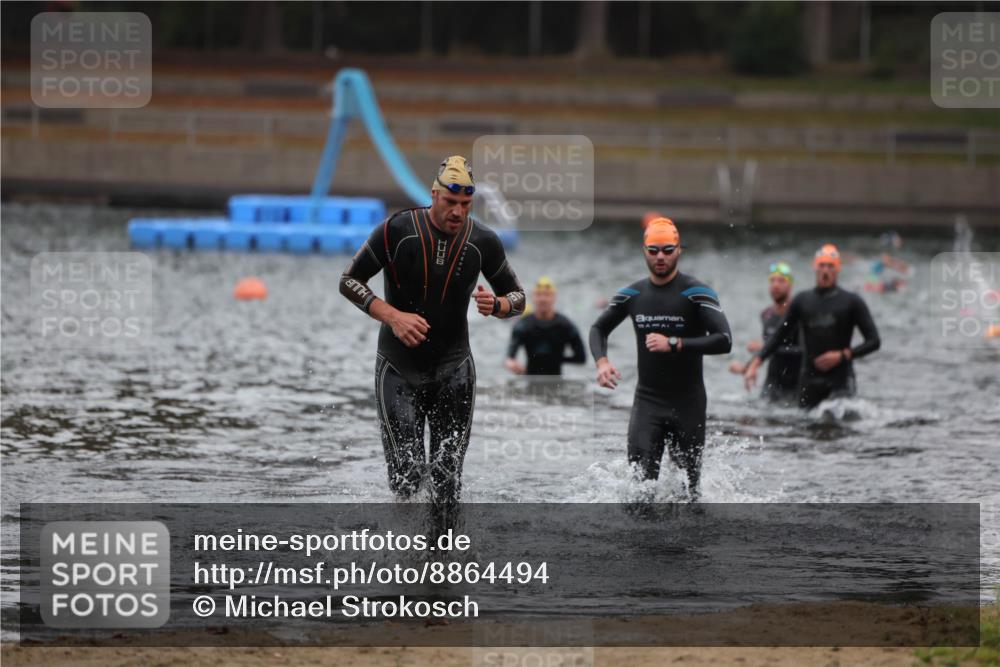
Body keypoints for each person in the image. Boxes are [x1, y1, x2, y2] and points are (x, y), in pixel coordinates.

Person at [339, 155, 525, 511]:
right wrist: (392, 316)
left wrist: (498, 306)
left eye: (466, 205)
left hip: (454, 371)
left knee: (447, 485)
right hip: (398, 369)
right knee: (406, 481)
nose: (458, 212)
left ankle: (442, 561)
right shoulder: (397, 230)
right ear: (434, 195)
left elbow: (518, 297)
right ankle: (404, 561)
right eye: (450, 202)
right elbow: (349, 280)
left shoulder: (483, 240)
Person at [590, 218, 732, 501]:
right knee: (639, 492)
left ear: (679, 250)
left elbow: (724, 340)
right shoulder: (633, 294)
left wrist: (676, 343)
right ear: (644, 251)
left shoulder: (697, 293)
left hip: (688, 405)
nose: (660, 257)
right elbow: (598, 328)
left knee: (688, 495)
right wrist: (602, 362)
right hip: (648, 404)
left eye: (668, 250)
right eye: (653, 250)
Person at [744, 244, 880, 409]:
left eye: (830, 266)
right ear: (815, 267)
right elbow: (779, 336)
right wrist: (755, 363)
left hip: (840, 380)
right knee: (803, 429)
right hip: (809, 380)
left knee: (842, 427)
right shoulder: (802, 301)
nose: (825, 270)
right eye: (822, 265)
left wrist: (843, 355)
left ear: (837, 269)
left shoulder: (852, 302)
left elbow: (874, 341)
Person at [728, 262, 800, 402]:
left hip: (796, 384)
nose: (775, 285)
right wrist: (746, 368)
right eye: (772, 280)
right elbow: (766, 351)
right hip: (772, 383)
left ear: (790, 285)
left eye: (781, 281)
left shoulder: (799, 315)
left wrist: (765, 346)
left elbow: (805, 351)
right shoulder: (766, 315)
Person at [505, 277, 586, 376]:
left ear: (554, 298)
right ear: (533, 298)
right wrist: (511, 364)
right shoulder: (523, 325)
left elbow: (581, 358)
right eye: (539, 295)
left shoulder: (566, 325)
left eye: (547, 295)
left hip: (556, 379)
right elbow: (509, 359)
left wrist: (556, 359)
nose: (543, 299)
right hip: (530, 378)